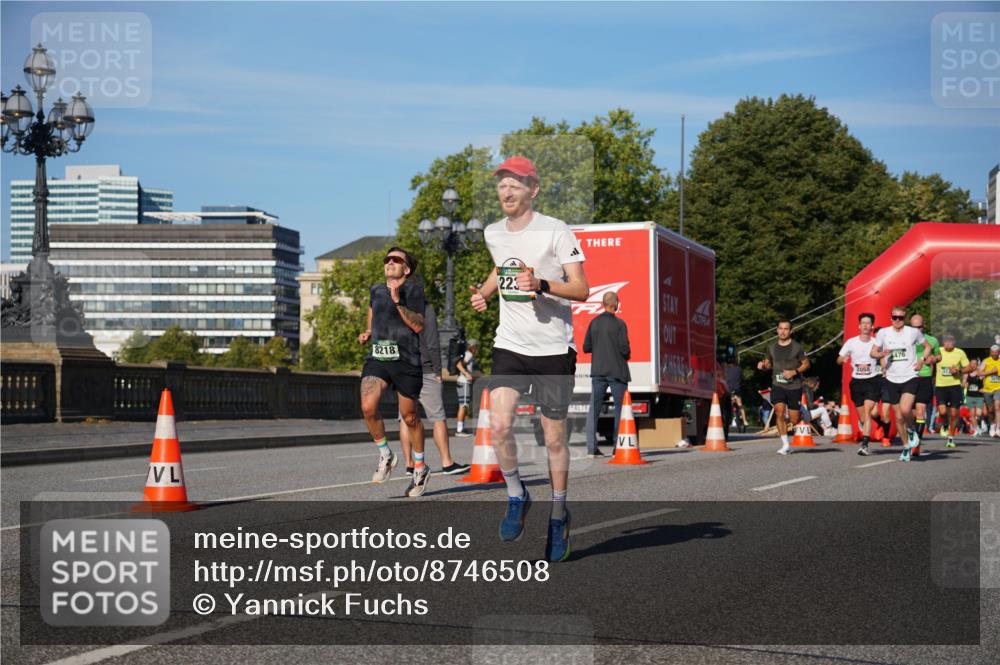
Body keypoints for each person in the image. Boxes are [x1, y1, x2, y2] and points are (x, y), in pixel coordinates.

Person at [469, 155, 589, 562]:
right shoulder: (492, 232)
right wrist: (484, 294)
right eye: (502, 184)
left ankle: (558, 514)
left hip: (553, 348)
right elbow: (500, 266)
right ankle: (517, 494)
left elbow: (582, 288)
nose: (506, 191)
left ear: (533, 190)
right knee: (499, 425)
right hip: (510, 345)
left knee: (554, 439)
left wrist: (540, 283)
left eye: (515, 184)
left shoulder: (555, 230)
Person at [358, 247, 429, 496]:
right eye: (387, 258)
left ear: (406, 269)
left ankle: (420, 468)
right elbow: (372, 309)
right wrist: (368, 331)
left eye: (396, 260)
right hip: (378, 356)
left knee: (410, 417)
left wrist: (398, 300)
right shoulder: (376, 290)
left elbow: (419, 325)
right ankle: (386, 455)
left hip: (406, 359)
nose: (389, 262)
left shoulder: (414, 291)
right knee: (368, 406)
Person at [398, 303, 471, 476]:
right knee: (438, 417)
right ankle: (447, 462)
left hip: (402, 368)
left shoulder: (398, 306)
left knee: (406, 417)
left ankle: (409, 464)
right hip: (425, 369)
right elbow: (431, 342)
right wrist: (438, 371)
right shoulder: (426, 308)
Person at [871, 305, 932, 462]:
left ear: (904, 319)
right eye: (895, 317)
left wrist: (921, 360)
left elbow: (927, 347)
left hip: (910, 376)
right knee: (898, 417)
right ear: (891, 318)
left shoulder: (913, 332)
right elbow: (873, 352)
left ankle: (911, 430)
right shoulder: (884, 333)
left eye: (900, 318)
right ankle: (906, 446)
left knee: (905, 410)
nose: (897, 320)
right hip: (891, 378)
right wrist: (881, 353)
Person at [583, 291, 631, 457]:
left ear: (604, 304)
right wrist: (625, 355)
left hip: (597, 372)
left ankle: (592, 448)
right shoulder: (619, 324)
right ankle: (618, 447)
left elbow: (586, 347)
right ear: (615, 303)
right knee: (621, 410)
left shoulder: (593, 323)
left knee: (594, 409)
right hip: (617, 372)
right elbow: (624, 349)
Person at [756, 320, 810, 455]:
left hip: (794, 386)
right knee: (779, 412)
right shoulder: (771, 347)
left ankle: (801, 411)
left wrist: (794, 372)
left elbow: (806, 364)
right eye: (780, 328)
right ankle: (785, 444)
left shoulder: (797, 347)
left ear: (791, 331)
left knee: (794, 419)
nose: (783, 331)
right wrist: (763, 367)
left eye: (786, 329)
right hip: (777, 384)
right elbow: (768, 364)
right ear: (777, 330)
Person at [837, 312, 882, 455]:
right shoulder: (851, 342)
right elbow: (838, 359)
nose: (865, 326)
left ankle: (864, 445)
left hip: (872, 380)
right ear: (859, 326)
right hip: (856, 382)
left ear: (872, 326)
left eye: (868, 323)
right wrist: (842, 360)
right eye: (863, 323)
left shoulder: (877, 343)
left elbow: (882, 359)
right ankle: (870, 422)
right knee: (863, 416)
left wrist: (885, 369)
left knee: (868, 413)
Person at [932, 333, 972, 448]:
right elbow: (930, 358)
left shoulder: (960, 352)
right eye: (946, 341)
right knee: (943, 412)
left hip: (955, 386)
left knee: (954, 414)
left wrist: (958, 371)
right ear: (943, 342)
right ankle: (944, 424)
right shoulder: (938, 351)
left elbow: (969, 367)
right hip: (940, 386)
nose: (948, 344)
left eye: (950, 341)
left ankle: (951, 438)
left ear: (954, 343)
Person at [909, 314, 939, 444]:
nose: (917, 330)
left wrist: (934, 359)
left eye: (919, 327)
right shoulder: (904, 339)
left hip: (924, 377)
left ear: (924, 326)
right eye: (914, 327)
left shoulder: (932, 340)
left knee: (920, 410)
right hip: (907, 377)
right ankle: (911, 432)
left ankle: (917, 441)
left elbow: (939, 356)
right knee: (908, 412)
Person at [454, 339, 479, 436]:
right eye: (477, 346)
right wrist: (466, 374)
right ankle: (459, 430)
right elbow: (458, 364)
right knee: (463, 405)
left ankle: (461, 428)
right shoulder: (468, 354)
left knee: (464, 405)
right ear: (473, 347)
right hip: (463, 382)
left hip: (464, 382)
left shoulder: (468, 354)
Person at [981, 344, 1000, 438]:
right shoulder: (985, 361)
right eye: (993, 352)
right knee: (991, 410)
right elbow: (979, 373)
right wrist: (990, 372)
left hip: (998, 388)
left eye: (997, 352)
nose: (995, 354)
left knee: (997, 407)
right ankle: (992, 425)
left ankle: (998, 429)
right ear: (990, 353)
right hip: (987, 389)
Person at [964, 358, 987, 435]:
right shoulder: (967, 373)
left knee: (979, 414)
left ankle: (981, 425)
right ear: (970, 364)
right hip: (969, 396)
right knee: (972, 414)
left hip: (979, 396)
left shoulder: (980, 373)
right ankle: (976, 429)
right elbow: (963, 383)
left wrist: (984, 388)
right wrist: (964, 384)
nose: (973, 365)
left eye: (975, 363)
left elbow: (985, 382)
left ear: (977, 365)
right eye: (972, 363)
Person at [725, 360, 747, 433]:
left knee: (728, 406)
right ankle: (745, 421)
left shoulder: (725, 369)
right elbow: (743, 379)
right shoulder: (739, 369)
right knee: (740, 405)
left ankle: (728, 420)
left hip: (729, 389)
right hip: (737, 389)